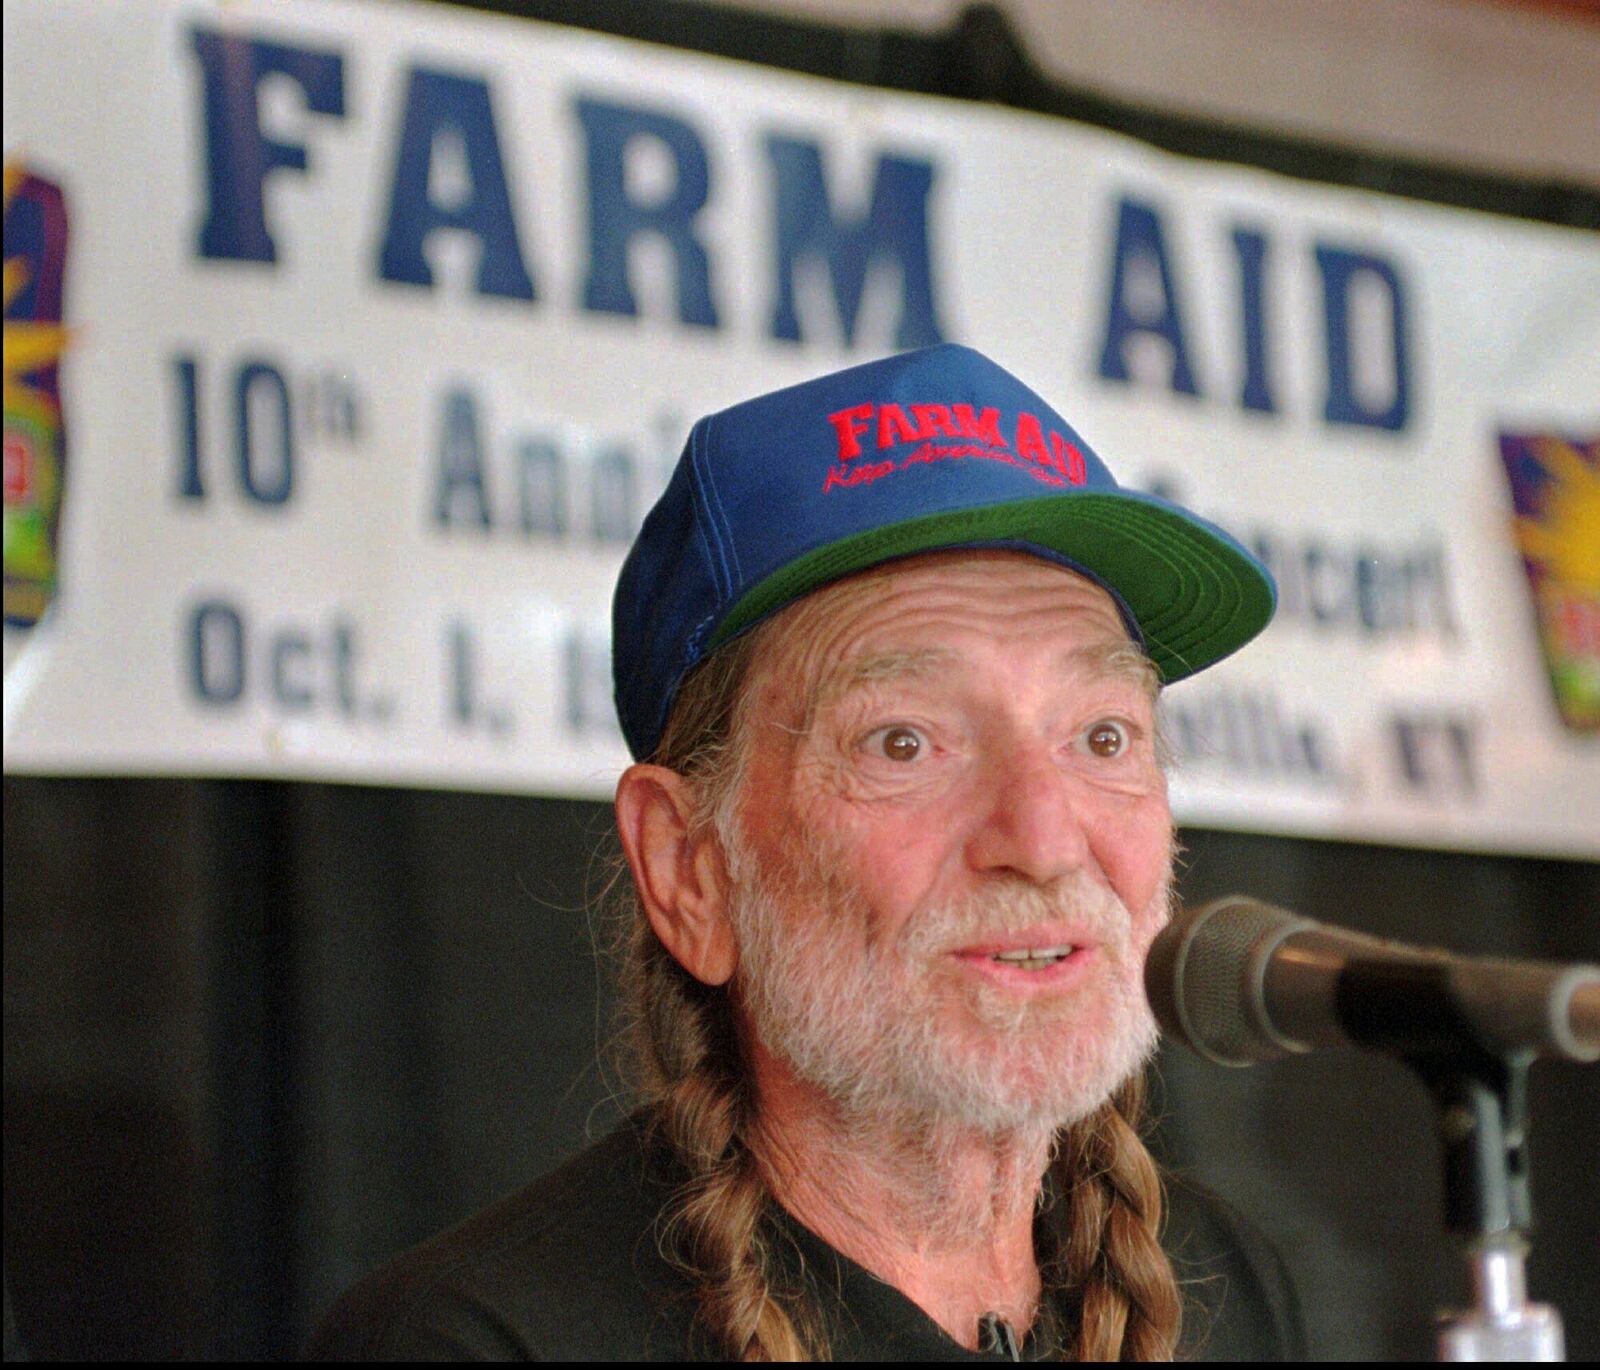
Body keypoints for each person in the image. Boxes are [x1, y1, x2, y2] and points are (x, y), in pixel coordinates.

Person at [305, 344, 1302, 1361]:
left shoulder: (1232, 1284)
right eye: (903, 741)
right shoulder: (481, 1342)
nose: (1043, 841)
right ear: (689, 868)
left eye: (1100, 735)